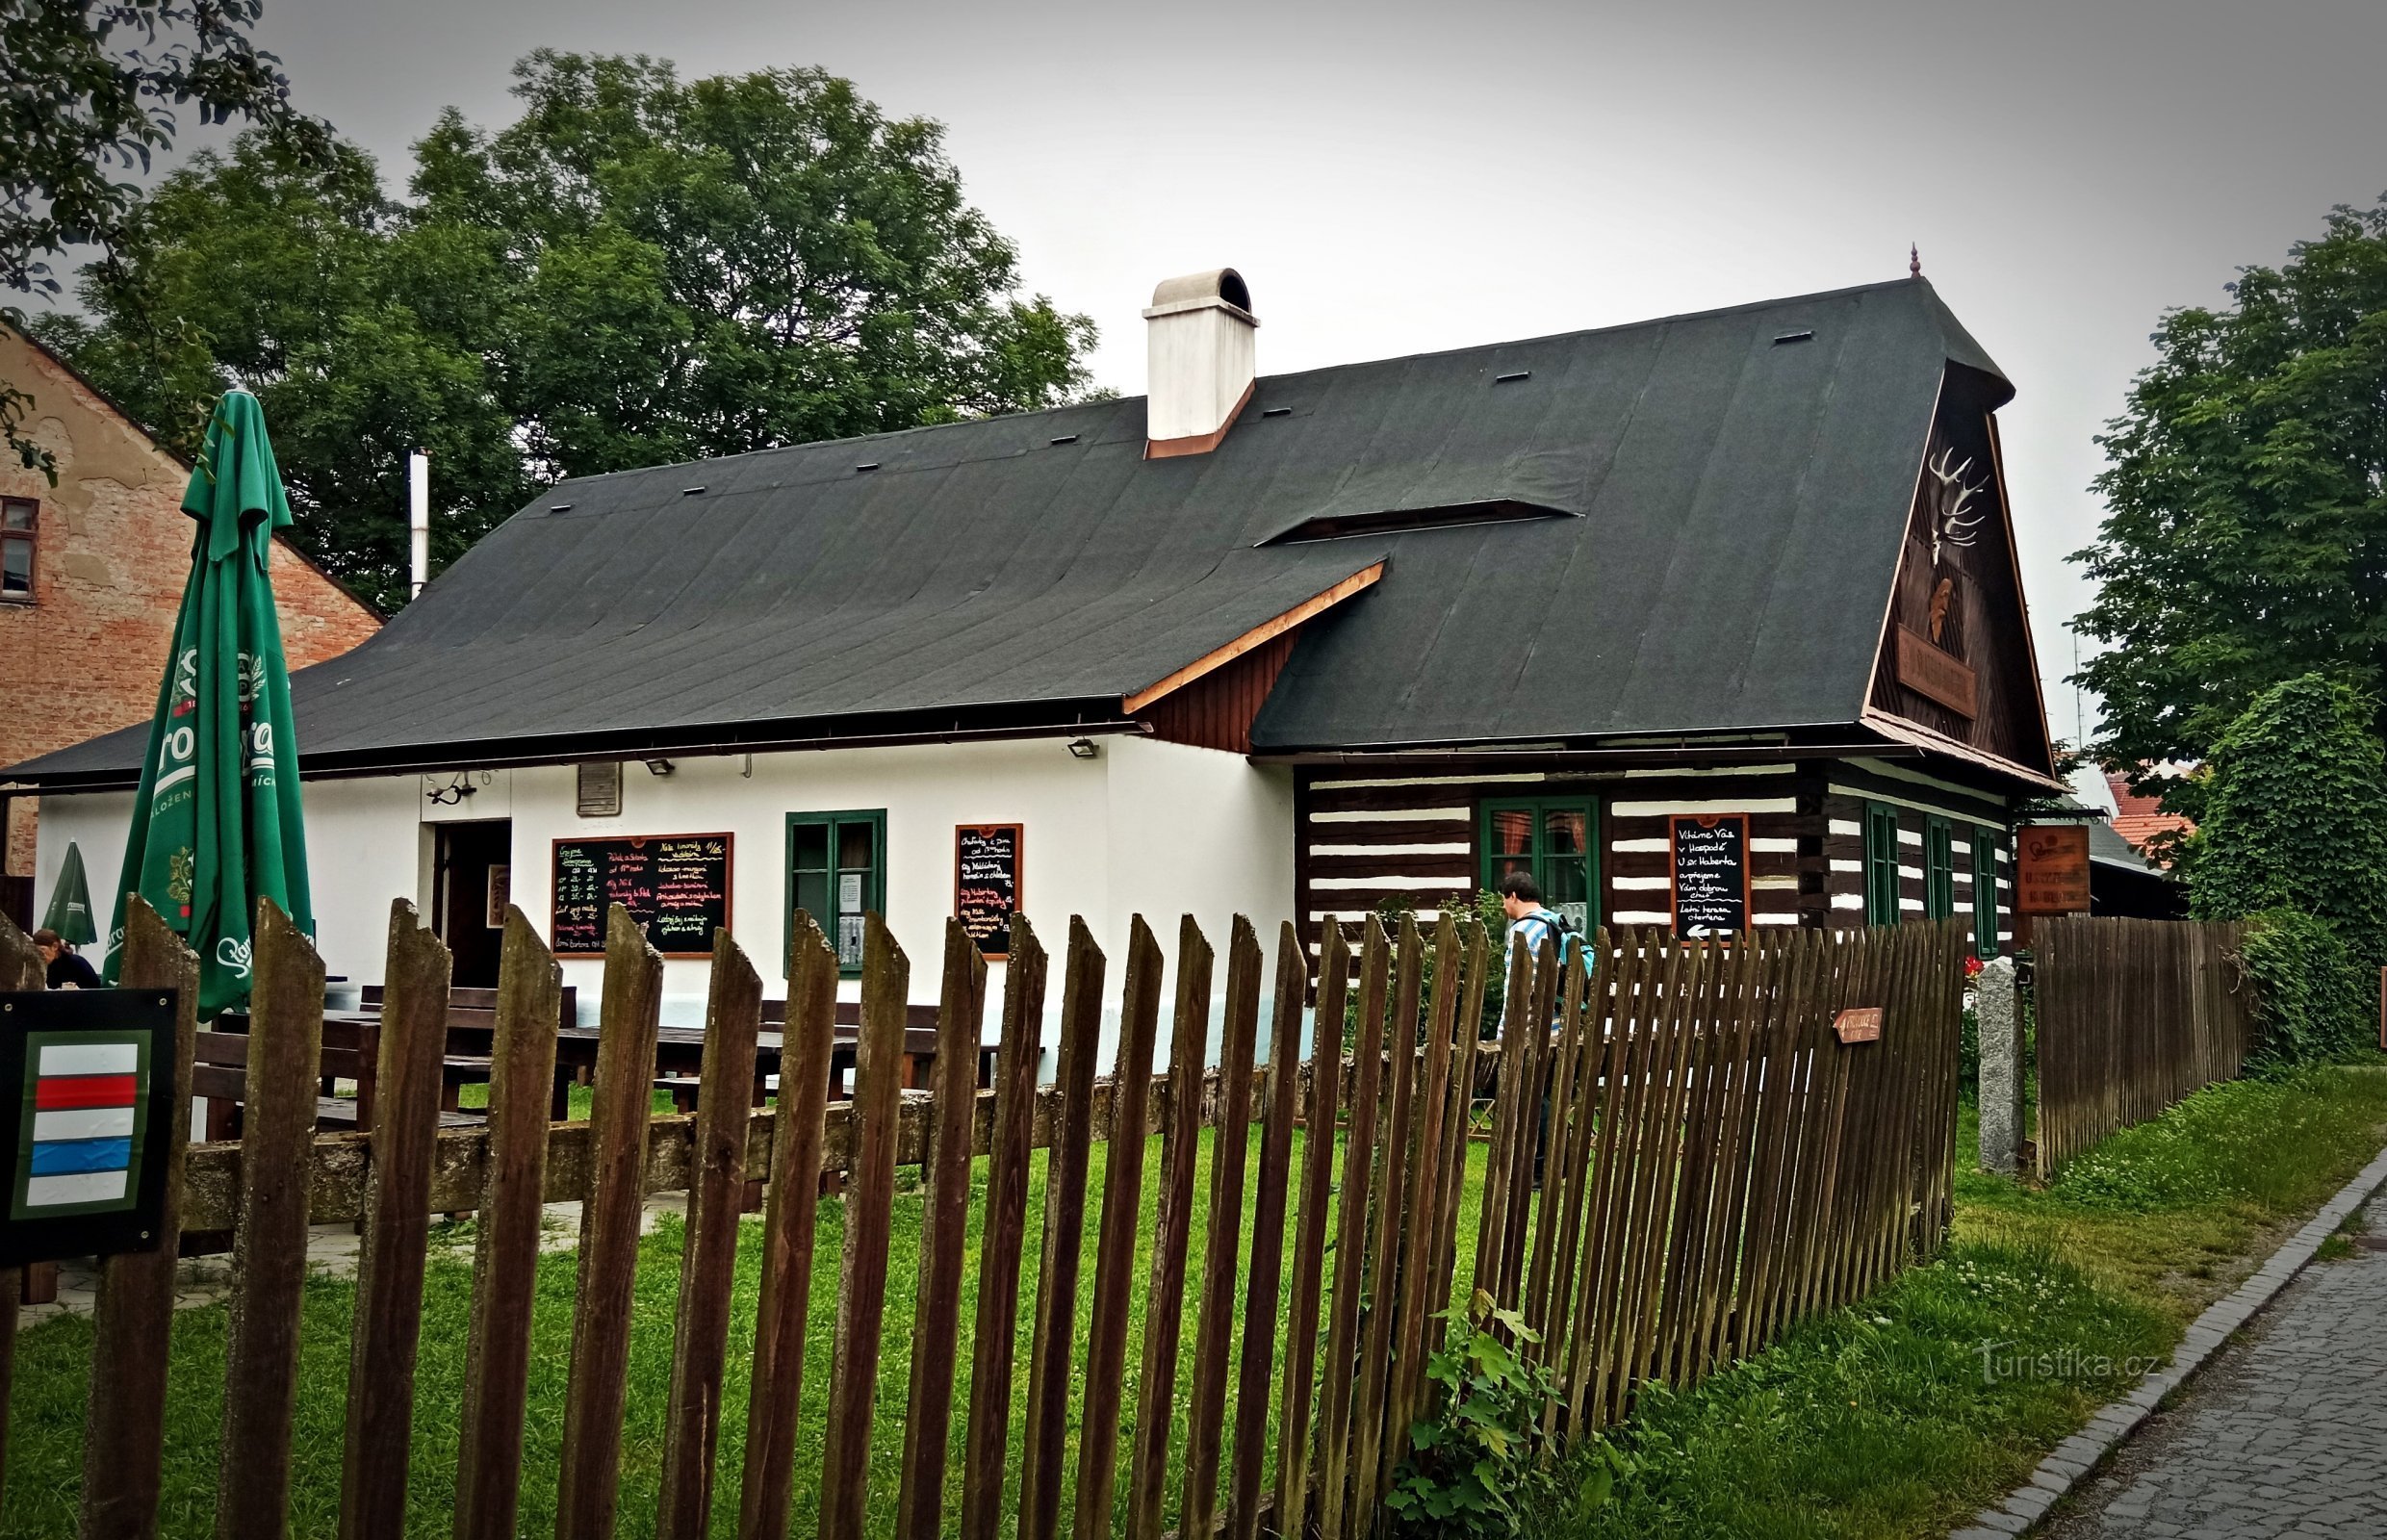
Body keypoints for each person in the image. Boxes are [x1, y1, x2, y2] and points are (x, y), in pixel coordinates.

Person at [32, 929, 101, 989]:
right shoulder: (39, 967)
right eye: (35, 950)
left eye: (42, 950)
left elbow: (96, 990)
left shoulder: (77, 963)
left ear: (55, 946)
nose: (38, 954)